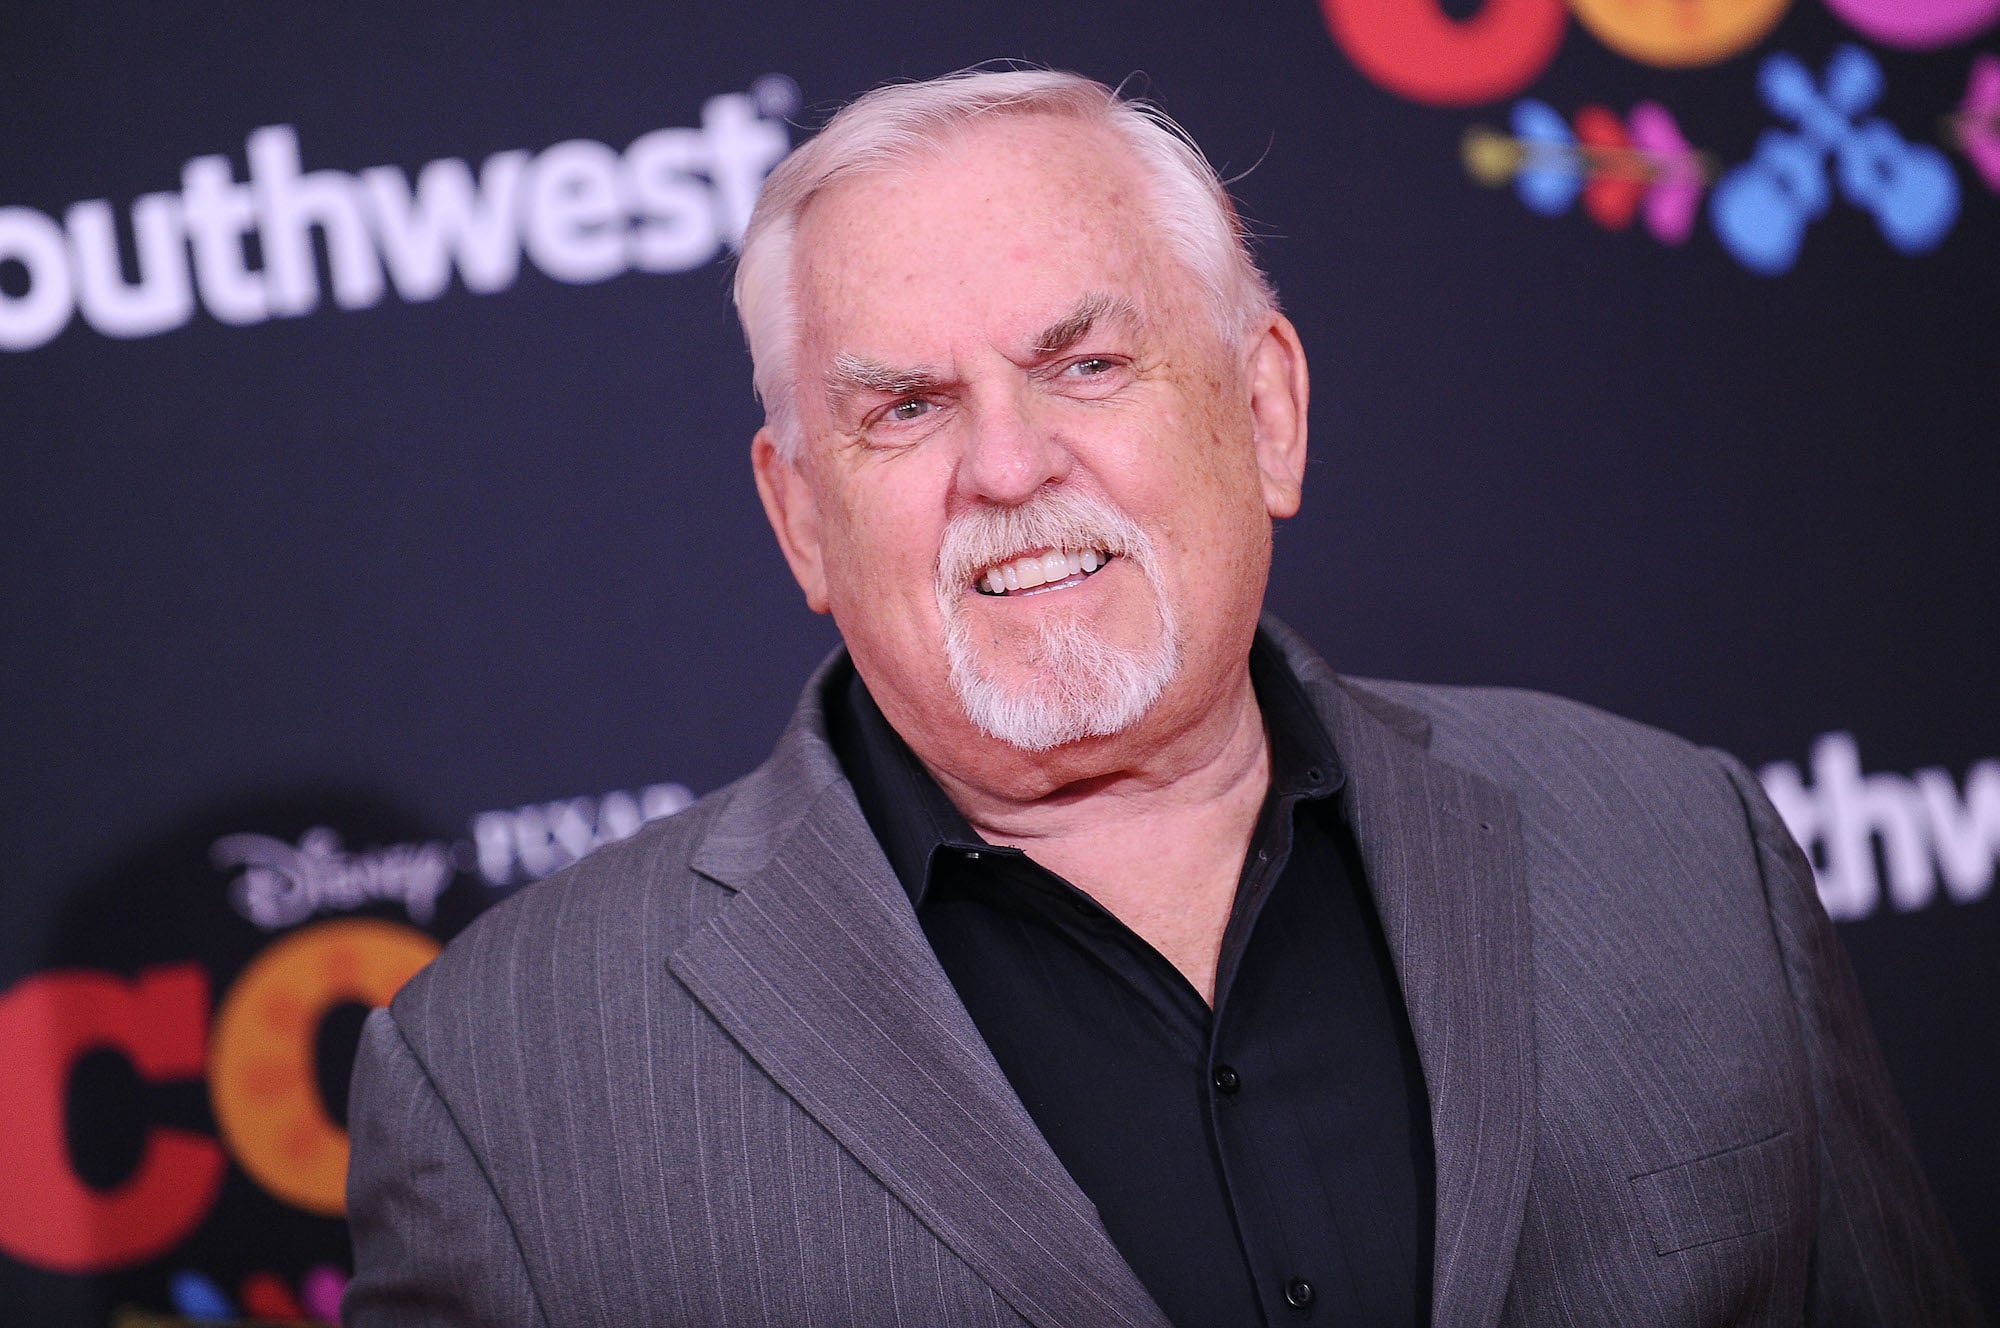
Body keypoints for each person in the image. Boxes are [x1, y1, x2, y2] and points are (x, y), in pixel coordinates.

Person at [343, 68, 1981, 1327]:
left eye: (1085, 364)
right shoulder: (508, 1088)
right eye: (907, 408)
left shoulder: (1680, 852)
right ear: (799, 520)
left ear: (1268, 413)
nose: (1007, 465)